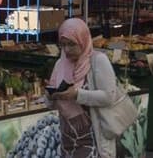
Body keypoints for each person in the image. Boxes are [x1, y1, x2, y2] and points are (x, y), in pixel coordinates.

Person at [46, 17, 137, 158]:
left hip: (94, 139)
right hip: (68, 140)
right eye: (63, 45)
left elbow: (108, 97)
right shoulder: (60, 64)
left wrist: (77, 94)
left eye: (71, 44)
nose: (66, 50)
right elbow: (51, 104)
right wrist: (51, 96)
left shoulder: (97, 61)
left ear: (83, 41)